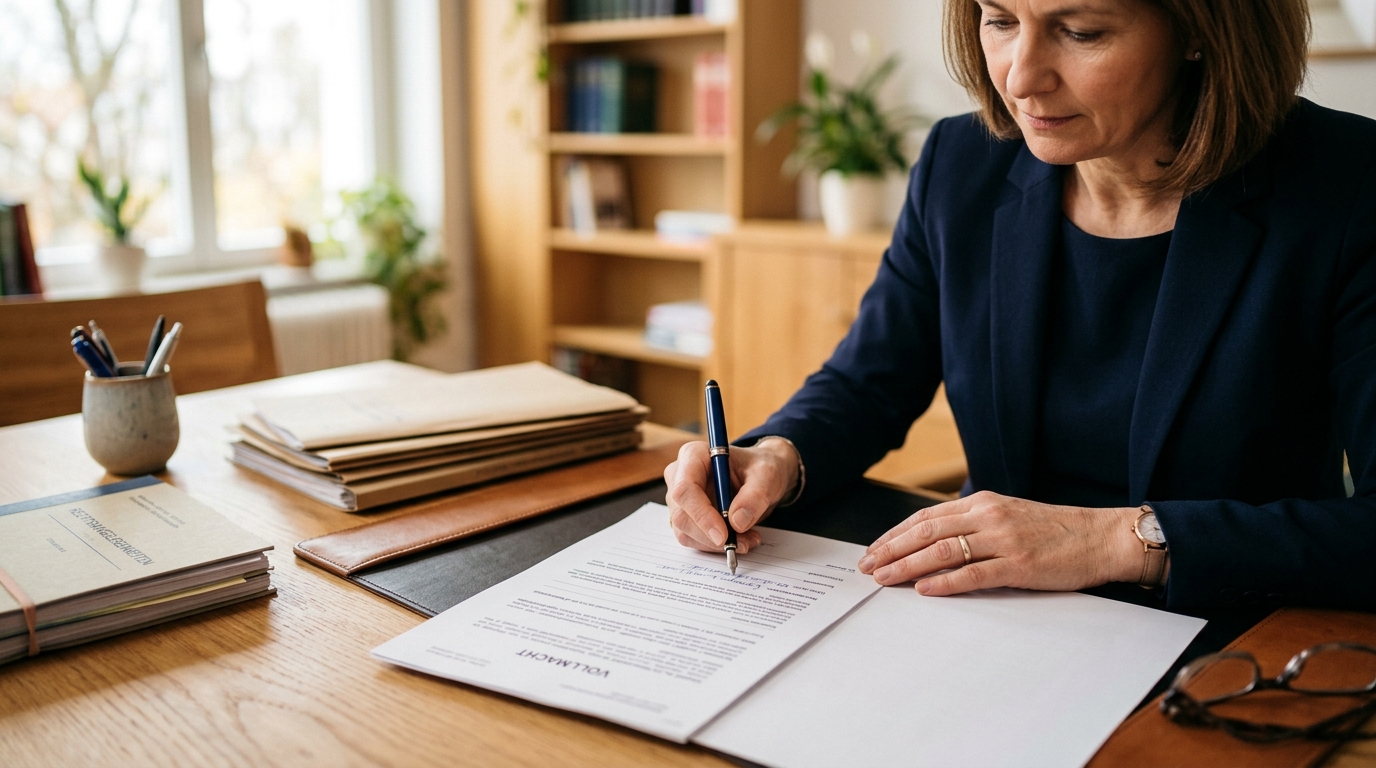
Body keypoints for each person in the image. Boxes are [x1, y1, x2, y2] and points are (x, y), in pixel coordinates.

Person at [664, 0, 1376, 612]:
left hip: (1231, 628)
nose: (1020, 77)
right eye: (999, 19)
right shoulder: (961, 162)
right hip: (986, 615)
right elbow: (866, 383)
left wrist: (1114, 540)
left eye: (1083, 31)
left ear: (1200, 28)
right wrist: (778, 456)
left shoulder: (1347, 186)